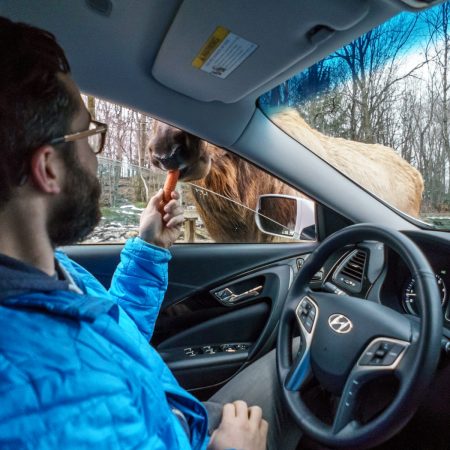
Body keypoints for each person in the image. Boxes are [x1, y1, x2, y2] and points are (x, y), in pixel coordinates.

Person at [0, 17, 302, 450]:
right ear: (48, 168)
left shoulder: (46, 270)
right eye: (89, 133)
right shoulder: (46, 405)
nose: (95, 152)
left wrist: (148, 248)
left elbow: (113, 333)